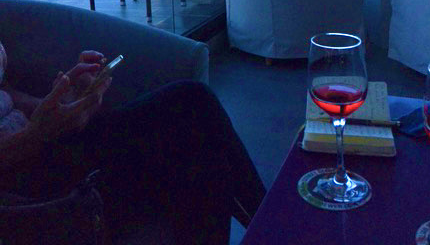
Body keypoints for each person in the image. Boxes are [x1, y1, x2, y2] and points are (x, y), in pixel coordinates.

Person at [0, 44, 265, 244]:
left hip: (46, 146)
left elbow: (5, 92)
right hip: (22, 182)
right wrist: (36, 135)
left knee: (204, 161)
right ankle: (277, 227)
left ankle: (275, 228)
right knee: (191, 102)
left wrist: (59, 106)